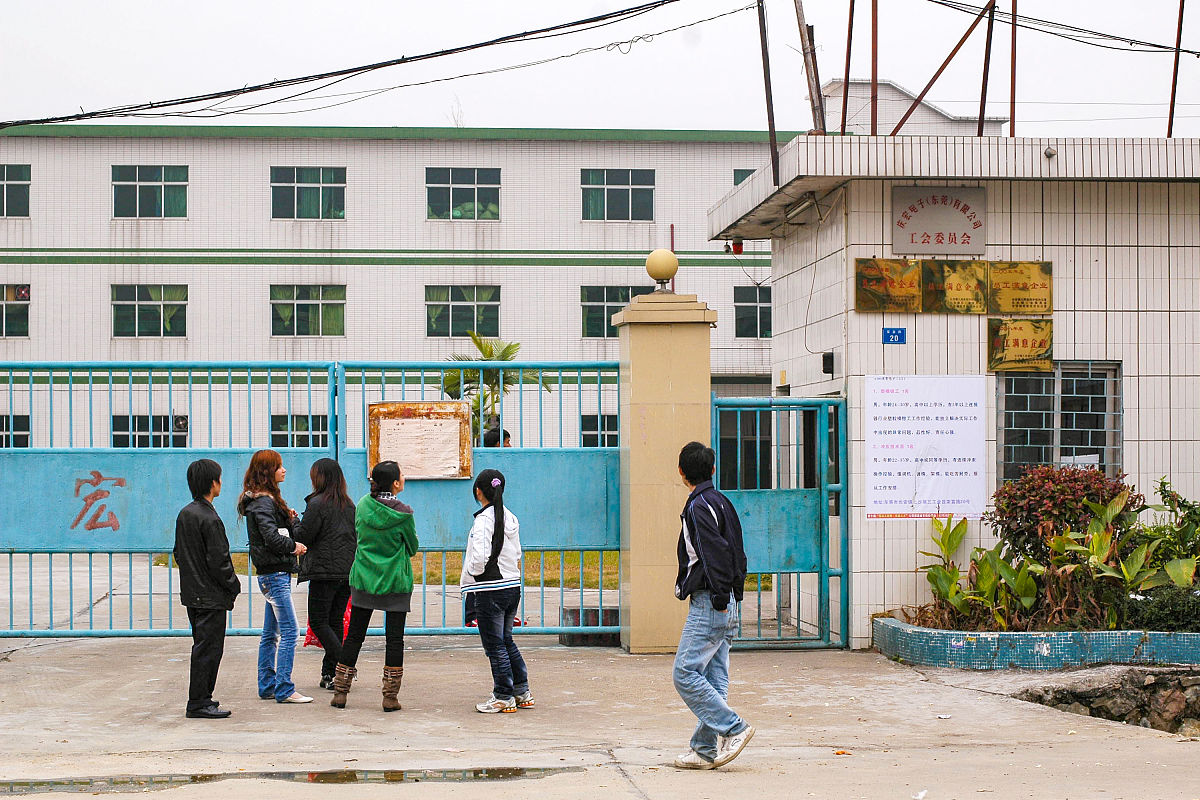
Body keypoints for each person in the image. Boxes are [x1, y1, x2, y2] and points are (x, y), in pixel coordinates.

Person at [671, 441, 754, 770]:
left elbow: (714, 553)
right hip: (727, 599)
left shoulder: (698, 506)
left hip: (712, 601)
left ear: (681, 472)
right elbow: (738, 550)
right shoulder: (721, 501)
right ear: (713, 469)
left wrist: (720, 598)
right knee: (714, 676)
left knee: (685, 673)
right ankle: (704, 749)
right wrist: (735, 594)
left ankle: (735, 727)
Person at [330, 461, 419, 712]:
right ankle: (390, 697)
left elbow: (359, 536)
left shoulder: (362, 506)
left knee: (355, 636)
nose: (404, 478)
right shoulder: (404, 514)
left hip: (364, 578)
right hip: (395, 582)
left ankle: (340, 691)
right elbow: (412, 547)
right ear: (394, 483)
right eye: (402, 475)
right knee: (394, 640)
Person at [238, 449, 311, 704]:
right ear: (267, 472)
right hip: (275, 574)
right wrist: (294, 546)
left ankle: (267, 685)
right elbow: (270, 537)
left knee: (271, 633)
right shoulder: (263, 503)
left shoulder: (264, 501)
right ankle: (284, 689)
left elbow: (272, 530)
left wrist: (288, 519)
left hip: (273, 573)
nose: (284, 470)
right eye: (279, 466)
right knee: (292, 630)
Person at [459, 468, 532, 713]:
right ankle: (521, 691)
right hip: (512, 586)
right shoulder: (510, 516)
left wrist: (473, 572)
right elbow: (517, 553)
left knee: (495, 645)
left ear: (478, 491)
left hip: (491, 590)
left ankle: (503, 695)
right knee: (506, 640)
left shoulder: (483, 520)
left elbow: (478, 558)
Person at [174, 458, 241, 719]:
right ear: (212, 483)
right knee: (209, 650)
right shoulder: (210, 518)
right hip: (211, 596)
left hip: (193, 594)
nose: (221, 483)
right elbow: (219, 560)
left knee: (202, 646)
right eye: (219, 478)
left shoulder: (186, 513)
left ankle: (202, 698)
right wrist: (233, 585)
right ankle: (200, 701)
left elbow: (179, 553)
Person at [296, 458, 356, 691]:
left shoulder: (318, 503)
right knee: (335, 621)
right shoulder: (348, 504)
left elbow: (305, 535)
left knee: (319, 621)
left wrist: (293, 521)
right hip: (346, 572)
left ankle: (344, 664)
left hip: (324, 572)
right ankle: (330, 674)